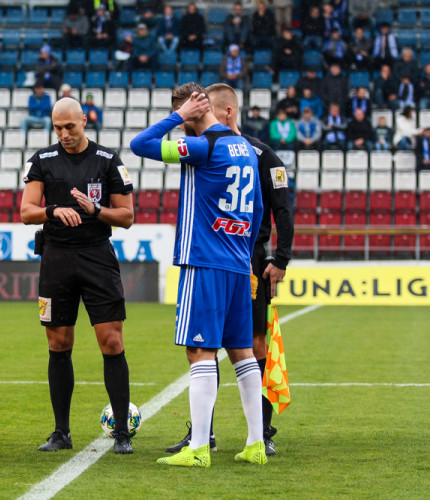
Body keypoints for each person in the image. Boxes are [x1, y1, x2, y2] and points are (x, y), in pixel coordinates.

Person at [130, 84, 266, 467]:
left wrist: (179, 116)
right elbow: (256, 210)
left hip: (204, 260)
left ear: (193, 110)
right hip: (239, 262)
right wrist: (246, 254)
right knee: (241, 352)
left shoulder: (202, 147)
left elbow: (140, 145)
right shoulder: (245, 150)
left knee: (200, 350)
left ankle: (199, 448)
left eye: (183, 114)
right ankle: (256, 444)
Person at [164, 82, 294, 458]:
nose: (191, 122)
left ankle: (261, 432)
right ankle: (207, 434)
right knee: (224, 347)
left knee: (247, 346)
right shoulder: (217, 149)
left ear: (227, 112)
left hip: (244, 259)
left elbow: (279, 210)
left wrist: (278, 258)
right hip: (237, 257)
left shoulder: (261, 155)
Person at [21, 97, 135, 454]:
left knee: (111, 342)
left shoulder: (107, 161)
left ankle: (121, 433)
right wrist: (53, 210)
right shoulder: (41, 160)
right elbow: (26, 211)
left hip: (97, 257)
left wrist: (96, 209)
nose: (64, 134)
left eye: (70, 126)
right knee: (58, 344)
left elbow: (127, 216)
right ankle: (61, 432)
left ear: (84, 121)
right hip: (56, 259)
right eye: (58, 128)